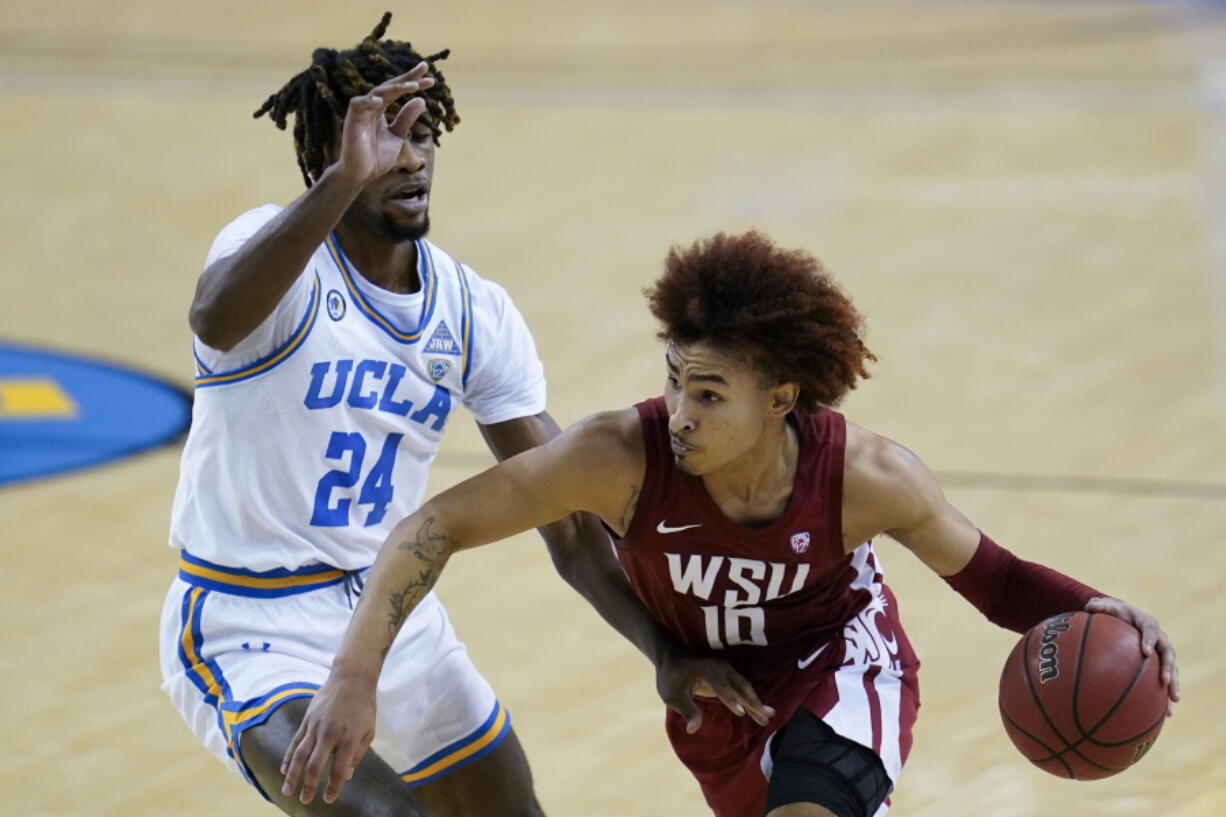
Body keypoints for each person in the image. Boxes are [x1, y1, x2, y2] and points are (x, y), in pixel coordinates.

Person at [281, 231, 1181, 817]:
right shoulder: (618, 456)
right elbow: (430, 527)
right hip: (720, 699)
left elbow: (996, 580)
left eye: (708, 394)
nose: (679, 410)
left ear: (782, 399)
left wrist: (1107, 611)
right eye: (675, 377)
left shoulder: (865, 477)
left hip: (841, 668)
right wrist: (355, 676)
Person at [157, 14, 762, 817]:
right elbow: (213, 319)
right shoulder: (276, 262)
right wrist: (341, 181)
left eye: (422, 136)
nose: (409, 160)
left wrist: (664, 650)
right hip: (247, 621)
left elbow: (571, 519)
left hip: (389, 614)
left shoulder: (473, 311)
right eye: (383, 141)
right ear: (327, 157)